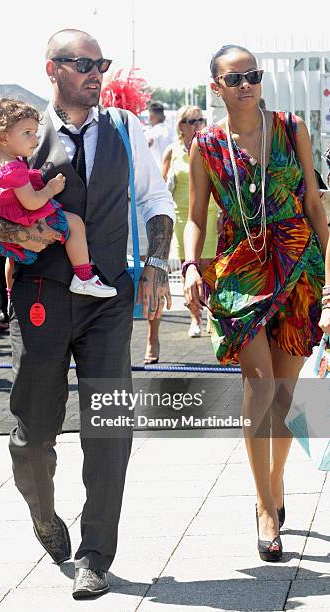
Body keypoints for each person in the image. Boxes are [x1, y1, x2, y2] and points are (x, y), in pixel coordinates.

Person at [0, 28, 174, 599]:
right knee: (33, 433)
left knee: (109, 429)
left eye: (101, 63)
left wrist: (157, 264)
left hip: (109, 297)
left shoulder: (124, 127)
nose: (95, 72)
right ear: (53, 70)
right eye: (82, 63)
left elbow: (155, 200)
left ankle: (97, 553)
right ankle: (44, 516)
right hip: (41, 296)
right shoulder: (16, 131)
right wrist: (10, 228)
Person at [183, 45, 327, 562]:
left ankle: (276, 483)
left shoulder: (291, 128)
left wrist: (327, 276)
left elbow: (313, 202)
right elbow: (196, 215)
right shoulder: (206, 145)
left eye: (253, 75)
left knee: (287, 395)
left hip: (298, 263)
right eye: (234, 78)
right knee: (260, 383)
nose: (245, 84)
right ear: (216, 86)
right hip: (239, 268)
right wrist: (189, 265)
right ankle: (265, 507)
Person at [0, 97, 116, 299]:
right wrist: (51, 188)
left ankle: (11, 292)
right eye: (27, 134)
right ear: (4, 138)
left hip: (1, 227)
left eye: (35, 132)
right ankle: (83, 277)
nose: (35, 140)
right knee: (75, 224)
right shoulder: (13, 168)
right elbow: (31, 202)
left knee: (11, 261)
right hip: (25, 219)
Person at [144, 106, 216, 363]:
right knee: (188, 271)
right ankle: (194, 318)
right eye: (192, 120)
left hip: (211, 215)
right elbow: (160, 188)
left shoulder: (211, 146)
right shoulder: (172, 151)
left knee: (210, 272)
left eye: (201, 119)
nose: (197, 124)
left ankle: (208, 316)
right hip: (184, 218)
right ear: (181, 125)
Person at [146, 101, 173, 170]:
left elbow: (147, 144)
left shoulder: (151, 132)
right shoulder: (172, 130)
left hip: (158, 174)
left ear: (151, 117)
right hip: (172, 172)